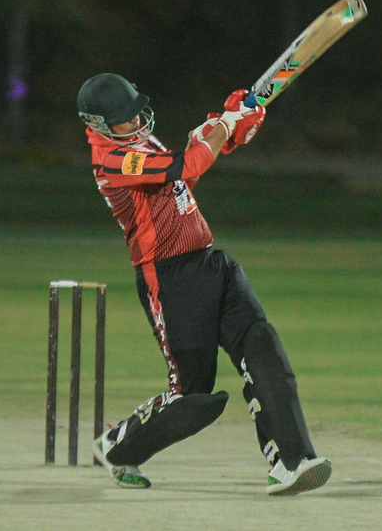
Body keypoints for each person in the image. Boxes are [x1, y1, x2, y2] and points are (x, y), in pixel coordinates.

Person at [77, 73, 331, 495]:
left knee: (262, 346)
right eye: (123, 117)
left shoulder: (139, 140)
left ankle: (291, 461)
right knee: (192, 395)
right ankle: (118, 447)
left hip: (212, 263)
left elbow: (181, 180)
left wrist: (221, 130)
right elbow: (186, 165)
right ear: (98, 124)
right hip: (168, 278)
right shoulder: (113, 160)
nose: (135, 119)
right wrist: (224, 128)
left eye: (135, 110)